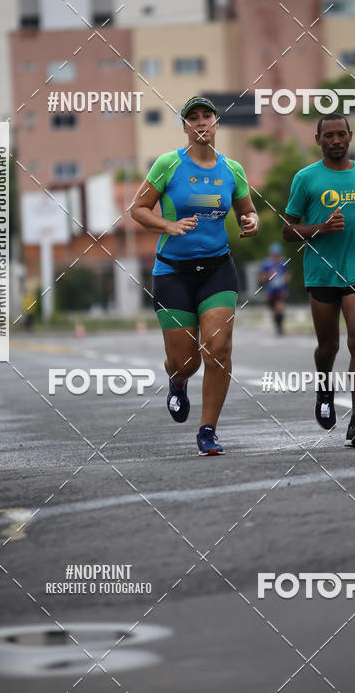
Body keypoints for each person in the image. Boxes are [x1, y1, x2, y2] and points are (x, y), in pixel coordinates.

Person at [130, 96, 258, 455]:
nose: (201, 122)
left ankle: (207, 430)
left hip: (217, 271)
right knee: (186, 362)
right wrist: (168, 225)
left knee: (219, 348)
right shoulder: (168, 164)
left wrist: (252, 221)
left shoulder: (232, 169)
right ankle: (177, 380)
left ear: (216, 123)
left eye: (207, 116)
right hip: (173, 273)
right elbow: (138, 209)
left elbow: (248, 210)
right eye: (193, 118)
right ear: (185, 126)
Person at [282, 114, 355, 448]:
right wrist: (320, 229)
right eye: (329, 135)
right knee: (328, 346)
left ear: (350, 136)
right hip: (322, 272)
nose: (336, 140)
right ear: (318, 140)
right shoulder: (306, 178)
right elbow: (288, 230)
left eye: (341, 134)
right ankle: (324, 388)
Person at [258, 243, 291, 335]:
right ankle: (278, 326)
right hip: (270, 290)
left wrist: (285, 280)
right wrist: (268, 275)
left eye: (278, 255)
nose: (276, 257)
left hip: (280, 289)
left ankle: (280, 327)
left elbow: (287, 274)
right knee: (274, 310)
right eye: (274, 254)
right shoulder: (266, 264)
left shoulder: (283, 262)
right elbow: (261, 277)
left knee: (280, 307)